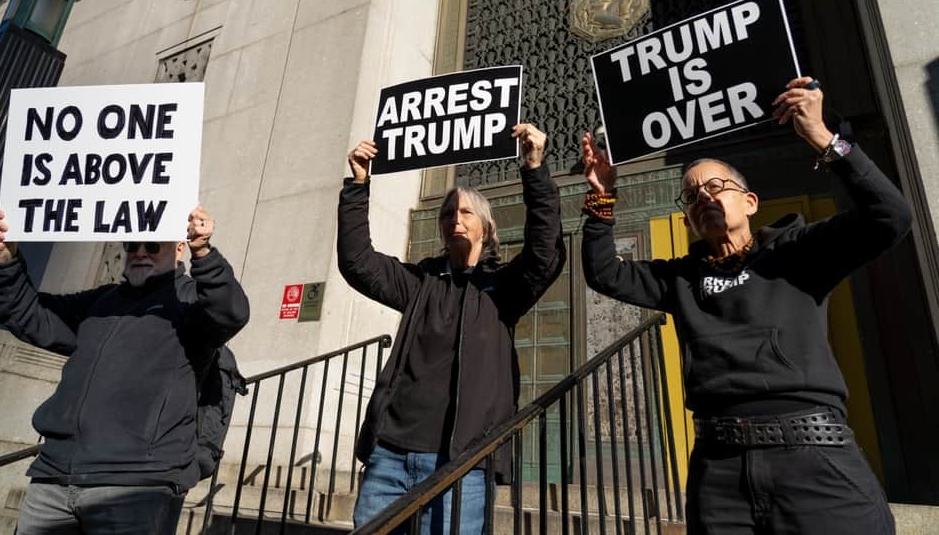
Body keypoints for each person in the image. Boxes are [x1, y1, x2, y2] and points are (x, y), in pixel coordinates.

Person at [580, 76, 910, 534]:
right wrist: (601, 195)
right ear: (689, 219)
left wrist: (822, 138)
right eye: (692, 197)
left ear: (750, 201)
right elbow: (605, 273)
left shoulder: (797, 252)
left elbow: (889, 217)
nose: (704, 197)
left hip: (814, 462)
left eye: (716, 186)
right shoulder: (681, 278)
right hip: (720, 474)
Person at [338, 123, 566, 533]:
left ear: (486, 226)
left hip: (462, 466)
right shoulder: (420, 283)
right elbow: (358, 263)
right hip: (389, 458)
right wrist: (358, 184)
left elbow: (545, 255)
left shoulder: (503, 288)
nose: (453, 220)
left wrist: (534, 168)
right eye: (446, 214)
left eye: (464, 212)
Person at [0, 204, 250, 535]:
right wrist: (4, 259)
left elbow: (230, 312)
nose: (139, 253)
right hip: (54, 478)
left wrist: (204, 254)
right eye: (132, 245)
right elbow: (30, 315)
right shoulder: (101, 301)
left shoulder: (191, 301)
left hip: (136, 487)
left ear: (179, 247)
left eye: (152, 245)